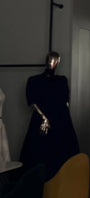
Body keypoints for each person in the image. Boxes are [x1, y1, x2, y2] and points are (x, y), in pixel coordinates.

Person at [19, 51, 79, 180]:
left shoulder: (62, 81)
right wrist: (44, 118)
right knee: (37, 158)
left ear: (58, 62)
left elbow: (65, 102)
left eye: (55, 60)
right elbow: (32, 102)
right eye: (50, 59)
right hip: (42, 122)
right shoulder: (34, 81)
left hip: (61, 122)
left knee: (63, 158)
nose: (52, 62)